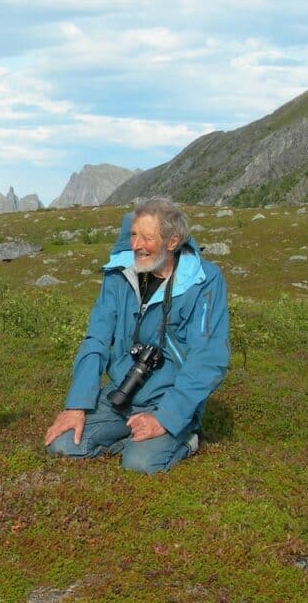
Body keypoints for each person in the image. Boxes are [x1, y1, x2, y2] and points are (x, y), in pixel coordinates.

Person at [44, 198, 229, 474]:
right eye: (133, 234)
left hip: (168, 398)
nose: (135, 245)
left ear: (172, 241)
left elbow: (208, 359)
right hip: (121, 394)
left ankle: (185, 435)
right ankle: (131, 436)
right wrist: (77, 404)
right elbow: (97, 338)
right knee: (62, 444)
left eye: (146, 237)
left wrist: (165, 418)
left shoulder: (204, 281)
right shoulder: (119, 274)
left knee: (140, 463)